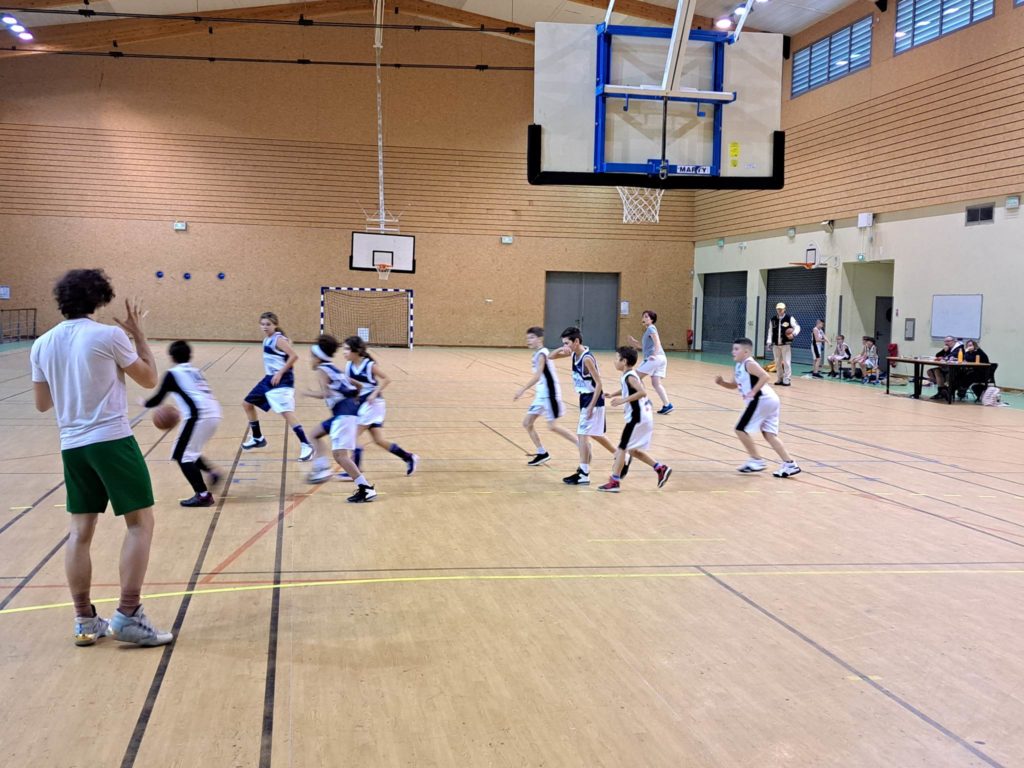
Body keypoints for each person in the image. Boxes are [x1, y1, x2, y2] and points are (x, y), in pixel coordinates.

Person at [30, 269, 173, 647]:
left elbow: (42, 404)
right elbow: (149, 379)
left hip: (72, 446)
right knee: (140, 523)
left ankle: (84, 620)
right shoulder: (109, 336)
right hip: (111, 441)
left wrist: (71, 382)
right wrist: (139, 335)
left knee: (80, 531)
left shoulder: (41, 344)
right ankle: (129, 614)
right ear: (99, 299)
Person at [143, 340, 222, 508]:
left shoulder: (173, 374)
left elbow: (158, 399)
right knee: (188, 451)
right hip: (214, 413)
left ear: (172, 357)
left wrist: (144, 403)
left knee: (182, 454)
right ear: (189, 355)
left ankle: (203, 495)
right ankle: (212, 473)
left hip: (198, 415)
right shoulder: (197, 372)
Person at [714, 337, 801, 478]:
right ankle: (790, 464)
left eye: (736, 349)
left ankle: (756, 460)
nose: (733, 351)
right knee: (769, 434)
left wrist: (753, 391)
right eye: (733, 349)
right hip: (770, 400)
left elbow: (765, 376)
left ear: (746, 351)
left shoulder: (749, 363)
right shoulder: (738, 366)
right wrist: (722, 383)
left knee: (740, 429)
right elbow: (733, 385)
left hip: (761, 399)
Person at [304, 335, 377, 502]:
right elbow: (358, 385)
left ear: (318, 357)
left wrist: (307, 393)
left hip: (343, 415)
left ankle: (365, 489)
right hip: (344, 413)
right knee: (315, 434)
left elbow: (325, 393)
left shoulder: (322, 370)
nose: (310, 360)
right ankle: (322, 467)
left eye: (311, 356)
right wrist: (354, 399)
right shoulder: (333, 368)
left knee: (340, 455)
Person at [597, 346, 672, 492]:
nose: (614, 361)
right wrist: (612, 395)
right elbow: (627, 388)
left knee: (621, 449)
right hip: (643, 417)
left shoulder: (630, 376)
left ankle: (614, 482)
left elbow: (642, 392)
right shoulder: (630, 375)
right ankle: (660, 468)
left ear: (624, 361)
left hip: (637, 417)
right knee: (632, 451)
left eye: (616, 358)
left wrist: (622, 400)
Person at [549, 327, 618, 485]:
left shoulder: (586, 359)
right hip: (584, 398)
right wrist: (562, 348)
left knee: (582, 435)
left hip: (593, 399)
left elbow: (599, 384)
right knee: (594, 434)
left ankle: (584, 473)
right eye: (563, 343)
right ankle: (620, 455)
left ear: (576, 341)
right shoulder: (574, 353)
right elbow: (550, 356)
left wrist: (591, 406)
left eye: (567, 343)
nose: (565, 346)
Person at [241, 311, 314, 461]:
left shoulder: (278, 339)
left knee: (286, 413)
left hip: (282, 380)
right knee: (247, 404)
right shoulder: (266, 340)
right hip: (269, 379)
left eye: (268, 324)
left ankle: (306, 444)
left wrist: (280, 373)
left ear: (275, 325)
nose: (265, 327)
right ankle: (257, 437)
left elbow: (294, 356)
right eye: (262, 324)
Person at [342, 335, 418, 478]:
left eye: (346, 349)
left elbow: (387, 379)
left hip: (373, 404)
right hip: (363, 404)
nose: (343, 352)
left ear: (356, 351)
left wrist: (374, 393)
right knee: (379, 440)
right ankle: (409, 457)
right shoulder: (348, 366)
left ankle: (355, 469)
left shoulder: (369, 365)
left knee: (352, 434)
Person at [514, 326, 577, 466]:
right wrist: (563, 350)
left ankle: (581, 444)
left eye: (532, 337)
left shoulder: (542, 353)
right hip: (541, 394)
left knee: (552, 426)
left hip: (550, 394)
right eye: (527, 338)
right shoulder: (538, 353)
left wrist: (522, 389)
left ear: (540, 339)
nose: (529, 340)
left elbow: (538, 376)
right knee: (527, 423)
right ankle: (542, 453)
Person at [628, 310, 673, 413]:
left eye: (646, 317)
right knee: (656, 383)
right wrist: (634, 343)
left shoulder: (651, 328)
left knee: (634, 377)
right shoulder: (648, 331)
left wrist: (654, 354)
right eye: (643, 316)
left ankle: (645, 401)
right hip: (662, 358)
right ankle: (667, 405)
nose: (644, 318)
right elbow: (644, 348)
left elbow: (657, 342)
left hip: (655, 358)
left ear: (652, 320)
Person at [766, 302, 800, 386]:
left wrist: (793, 334)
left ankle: (787, 379)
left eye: (781, 309)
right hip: (776, 344)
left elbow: (797, 327)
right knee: (777, 362)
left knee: (786, 362)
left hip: (786, 344)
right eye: (778, 309)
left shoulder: (789, 318)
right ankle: (779, 378)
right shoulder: (773, 319)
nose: (779, 310)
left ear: (784, 309)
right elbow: (770, 331)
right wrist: (769, 342)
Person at [926, 336, 964, 400]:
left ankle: (942, 391)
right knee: (930, 371)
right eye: (945, 341)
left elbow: (950, 357)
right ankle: (944, 390)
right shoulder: (948, 347)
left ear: (954, 341)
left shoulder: (959, 348)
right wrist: (944, 350)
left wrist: (946, 353)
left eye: (948, 341)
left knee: (937, 371)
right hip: (947, 367)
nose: (946, 343)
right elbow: (937, 355)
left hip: (955, 369)